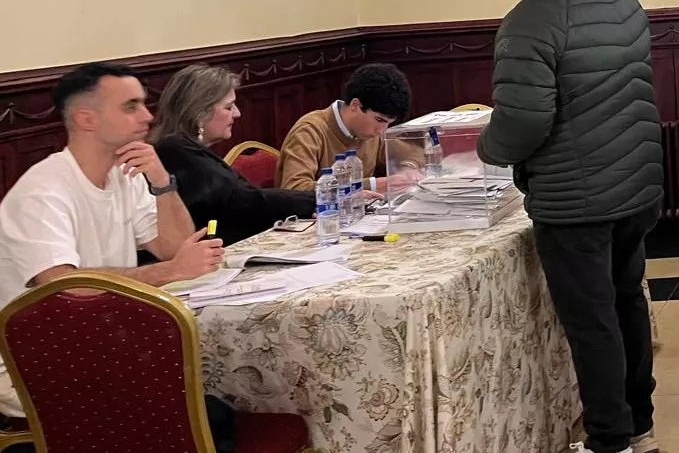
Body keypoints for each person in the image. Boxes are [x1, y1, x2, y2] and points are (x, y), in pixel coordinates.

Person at [477, 0, 664, 453]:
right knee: (626, 300)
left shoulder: (532, 19)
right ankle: (640, 424)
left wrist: (488, 151)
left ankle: (610, 440)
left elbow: (525, 119)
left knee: (591, 322)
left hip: (574, 198)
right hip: (635, 183)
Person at [0, 63, 225, 421]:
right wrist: (168, 272)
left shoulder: (127, 174)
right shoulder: (43, 191)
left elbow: (177, 247)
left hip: (103, 344)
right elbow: (61, 287)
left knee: (215, 406)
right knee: (201, 413)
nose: (148, 116)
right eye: (131, 106)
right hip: (34, 365)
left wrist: (162, 181)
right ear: (87, 119)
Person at [151, 64, 315, 245]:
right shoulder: (175, 150)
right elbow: (245, 201)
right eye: (228, 107)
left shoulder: (184, 148)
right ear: (199, 112)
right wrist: (316, 200)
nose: (237, 113)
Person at [276, 63, 415, 193]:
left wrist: (408, 168)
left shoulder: (372, 133)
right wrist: (372, 185)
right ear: (355, 105)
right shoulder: (310, 131)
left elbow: (412, 154)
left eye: (388, 124)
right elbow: (294, 189)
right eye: (379, 120)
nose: (381, 131)